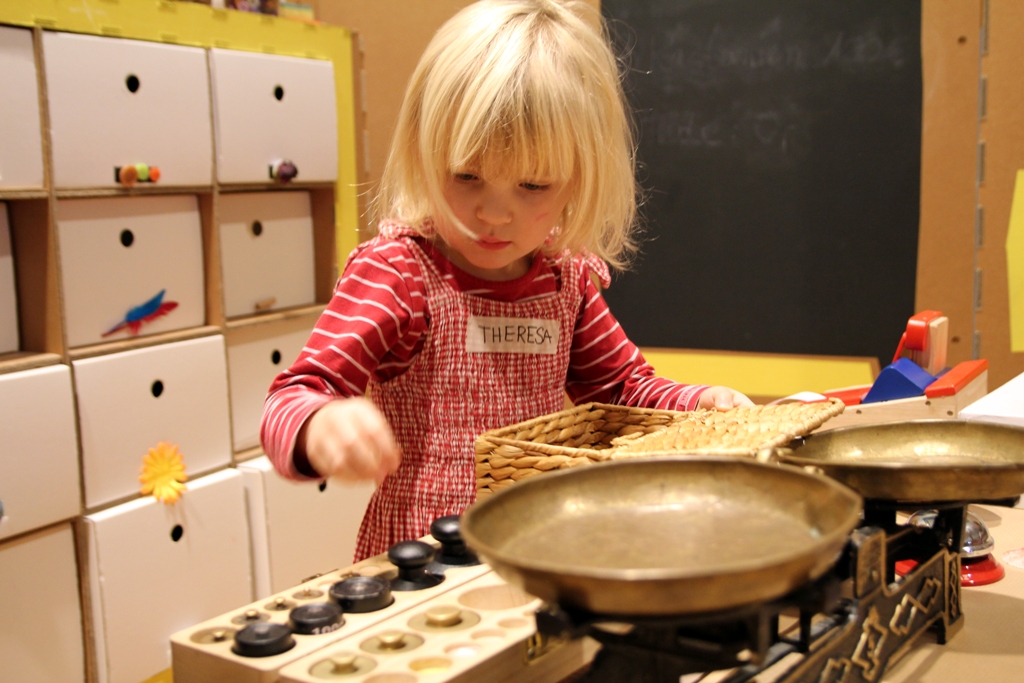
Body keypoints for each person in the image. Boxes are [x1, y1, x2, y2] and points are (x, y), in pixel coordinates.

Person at [260, 0, 753, 561]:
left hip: (538, 549)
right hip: (425, 568)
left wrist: (704, 403)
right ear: (424, 154)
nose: (494, 215)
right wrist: (320, 423)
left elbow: (624, 392)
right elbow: (290, 399)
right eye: (467, 176)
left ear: (579, 178)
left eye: (534, 186)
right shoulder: (400, 274)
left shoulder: (564, 282)